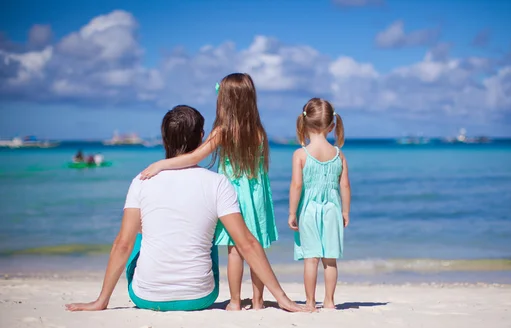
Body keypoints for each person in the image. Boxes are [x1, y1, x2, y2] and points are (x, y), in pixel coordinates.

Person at [65, 105, 304, 313]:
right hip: (200, 297)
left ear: (164, 139)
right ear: (202, 137)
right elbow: (247, 244)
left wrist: (101, 301)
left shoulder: (142, 180)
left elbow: (122, 245)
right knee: (208, 232)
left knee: (137, 234)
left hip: (145, 297)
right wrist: (282, 297)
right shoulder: (218, 182)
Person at [139, 73, 277, 311]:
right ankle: (258, 301)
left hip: (231, 196)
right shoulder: (259, 133)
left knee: (235, 250)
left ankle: (234, 301)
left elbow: (194, 157)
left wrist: (161, 164)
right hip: (257, 196)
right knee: (255, 247)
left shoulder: (223, 131)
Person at [288, 98, 351, 310]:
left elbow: (297, 185)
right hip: (332, 209)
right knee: (330, 259)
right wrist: (345, 211)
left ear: (304, 125)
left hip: (308, 210)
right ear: (332, 126)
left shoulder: (301, 154)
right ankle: (330, 302)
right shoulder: (339, 154)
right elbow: (345, 186)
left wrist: (292, 212)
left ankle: (309, 302)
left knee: (311, 259)